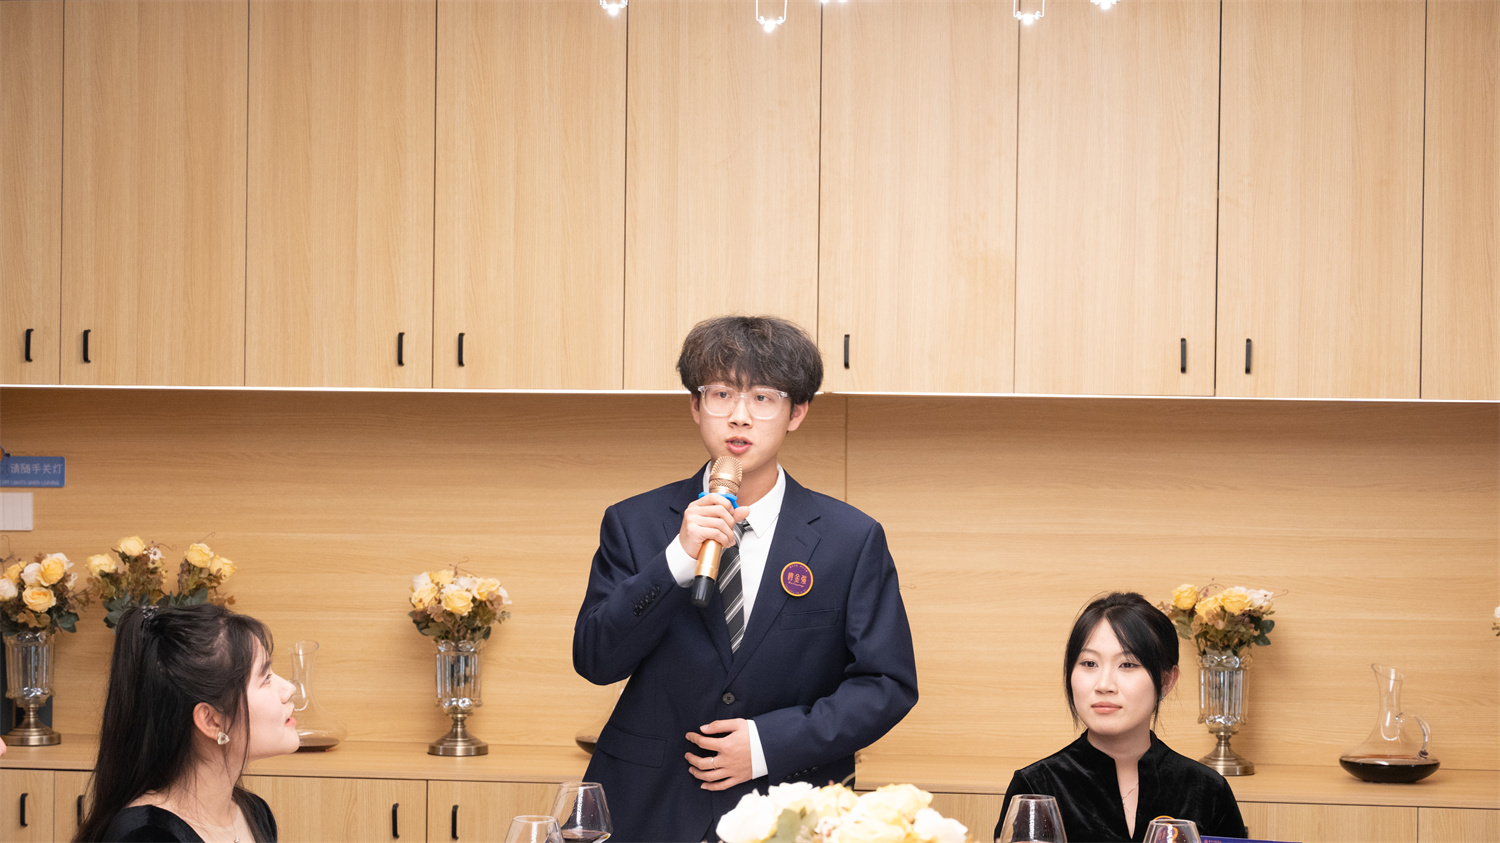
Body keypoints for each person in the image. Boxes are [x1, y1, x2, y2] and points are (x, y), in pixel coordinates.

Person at [574, 315, 919, 842]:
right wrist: (677, 559)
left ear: (796, 412)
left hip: (790, 805)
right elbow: (596, 660)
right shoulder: (634, 522)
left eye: (762, 398)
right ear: (695, 406)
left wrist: (766, 744)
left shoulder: (850, 538)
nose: (739, 417)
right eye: (721, 395)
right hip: (648, 807)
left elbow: (887, 683)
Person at [995, 592, 1247, 842]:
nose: (1104, 685)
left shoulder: (1207, 790)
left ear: (1166, 680)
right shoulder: (1035, 788)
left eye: (1128, 664)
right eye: (1089, 663)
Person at [75, 604, 299, 842]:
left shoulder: (255, 813)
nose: (289, 689)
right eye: (266, 678)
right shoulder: (147, 835)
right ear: (211, 721)